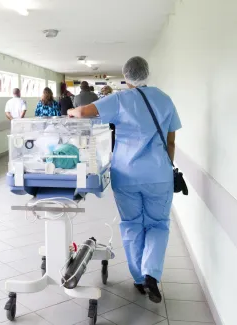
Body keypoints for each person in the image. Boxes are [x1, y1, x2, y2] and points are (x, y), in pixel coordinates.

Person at [68, 56, 182, 304]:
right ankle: (152, 273)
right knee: (158, 225)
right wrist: (164, 165)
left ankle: (140, 280)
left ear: (126, 76)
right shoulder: (165, 99)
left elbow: (83, 112)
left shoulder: (119, 99)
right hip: (159, 175)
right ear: (147, 73)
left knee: (132, 224)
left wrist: (70, 109)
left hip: (127, 174)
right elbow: (171, 142)